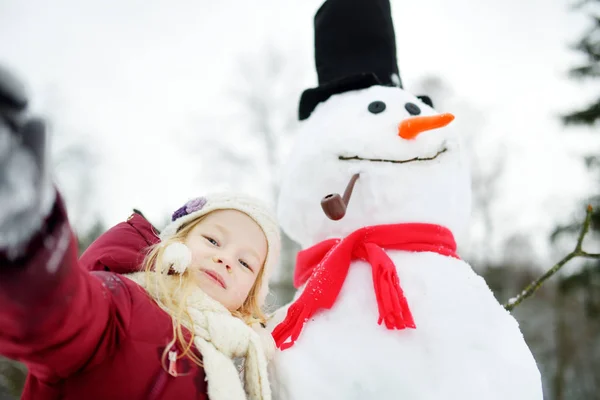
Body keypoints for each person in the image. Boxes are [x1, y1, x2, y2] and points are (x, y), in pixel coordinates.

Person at [0, 65, 279, 400]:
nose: (225, 258)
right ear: (176, 242)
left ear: (251, 295)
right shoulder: (125, 305)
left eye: (246, 263)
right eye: (213, 240)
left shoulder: (247, 360)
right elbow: (59, 317)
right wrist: (32, 247)